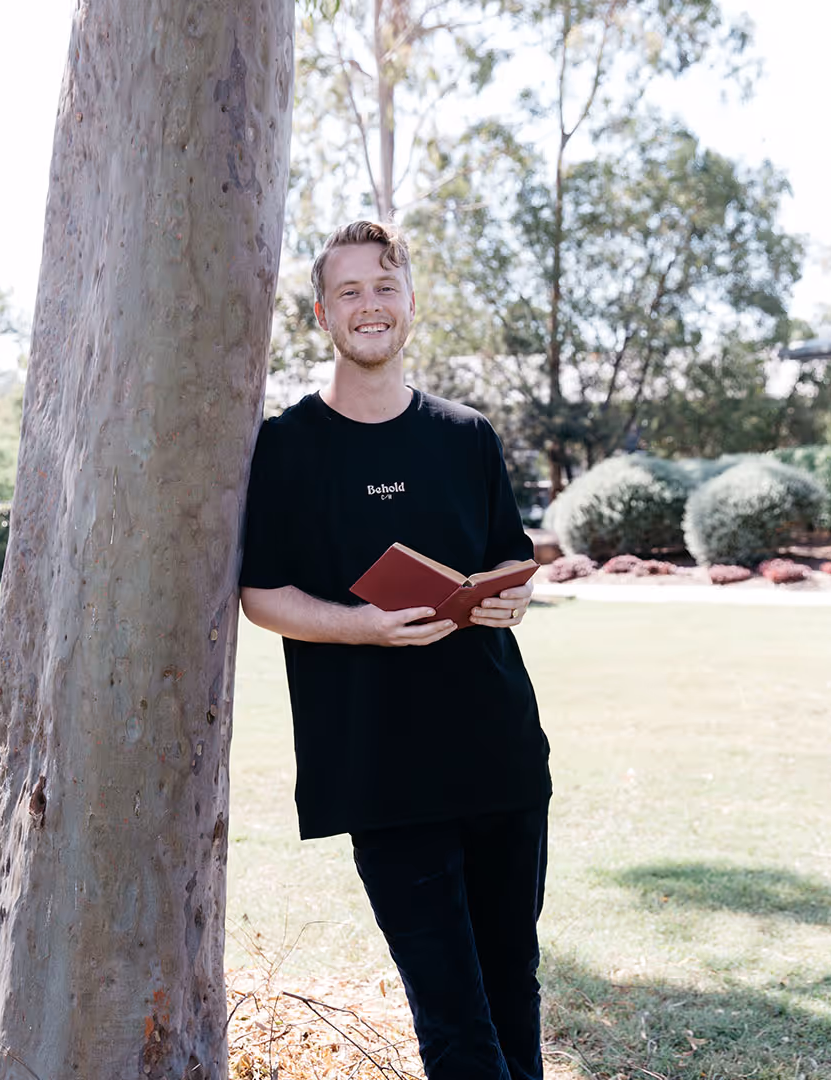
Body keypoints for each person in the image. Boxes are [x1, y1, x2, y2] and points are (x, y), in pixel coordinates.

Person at [239, 220, 552, 1080]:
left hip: (500, 756)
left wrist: (510, 594)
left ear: (410, 304)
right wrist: (362, 625)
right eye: (350, 292)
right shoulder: (285, 446)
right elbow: (259, 594)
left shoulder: (467, 435)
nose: (369, 305)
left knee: (511, 988)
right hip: (380, 772)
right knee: (452, 1015)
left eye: (385, 287)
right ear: (321, 314)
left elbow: (505, 561)